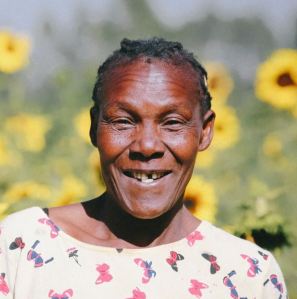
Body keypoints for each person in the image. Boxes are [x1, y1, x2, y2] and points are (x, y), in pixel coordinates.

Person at [0, 38, 288, 298]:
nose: (147, 146)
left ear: (205, 132)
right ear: (93, 128)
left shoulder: (247, 275)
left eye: (173, 122)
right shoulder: (20, 248)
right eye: (123, 121)